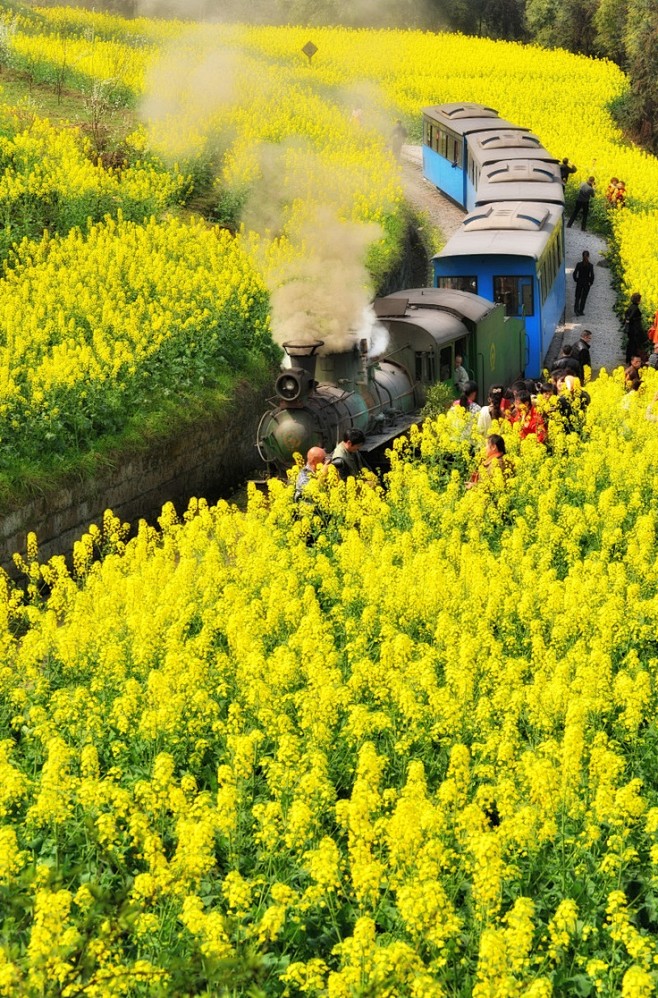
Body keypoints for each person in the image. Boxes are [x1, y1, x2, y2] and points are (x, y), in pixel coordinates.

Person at [623, 292, 645, 363]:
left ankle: (628, 358)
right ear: (638, 300)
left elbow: (626, 314)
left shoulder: (631, 306)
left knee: (630, 344)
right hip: (634, 330)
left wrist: (627, 321)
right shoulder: (635, 308)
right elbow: (631, 317)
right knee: (633, 346)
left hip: (630, 329)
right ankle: (632, 360)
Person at [573, 250, 594, 316]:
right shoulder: (590, 266)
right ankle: (581, 311)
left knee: (577, 297)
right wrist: (591, 282)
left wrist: (576, 280)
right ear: (588, 256)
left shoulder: (579, 264)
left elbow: (574, 273)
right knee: (583, 298)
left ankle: (576, 310)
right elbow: (592, 275)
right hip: (586, 283)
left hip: (579, 282)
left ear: (582, 256)